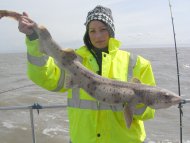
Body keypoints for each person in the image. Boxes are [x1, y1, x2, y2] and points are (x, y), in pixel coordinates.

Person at [18, 5, 156, 143]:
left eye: (103, 29)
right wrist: (32, 38)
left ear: (111, 30)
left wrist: (135, 102)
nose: (98, 36)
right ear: (87, 33)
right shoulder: (74, 59)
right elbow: (46, 78)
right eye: (92, 31)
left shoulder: (138, 63)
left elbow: (149, 113)